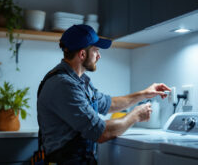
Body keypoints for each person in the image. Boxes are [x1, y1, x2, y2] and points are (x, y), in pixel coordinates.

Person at [37, 24, 171, 165]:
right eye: (96, 51)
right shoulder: (63, 85)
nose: (99, 56)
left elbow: (108, 104)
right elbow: (100, 133)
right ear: (82, 54)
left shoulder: (80, 81)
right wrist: (135, 115)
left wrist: (144, 94)